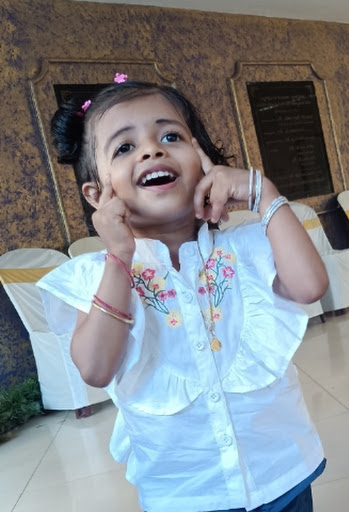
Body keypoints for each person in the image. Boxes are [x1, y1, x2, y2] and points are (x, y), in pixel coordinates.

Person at [38, 76, 329, 512]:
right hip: (185, 493)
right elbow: (95, 369)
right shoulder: (96, 275)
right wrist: (119, 256)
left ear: (206, 164)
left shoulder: (246, 247)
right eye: (124, 147)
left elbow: (310, 286)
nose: (151, 151)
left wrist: (262, 192)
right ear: (97, 195)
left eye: (171, 136)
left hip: (280, 471)